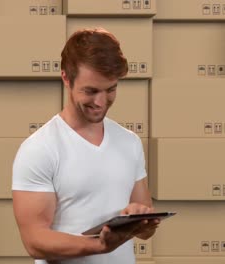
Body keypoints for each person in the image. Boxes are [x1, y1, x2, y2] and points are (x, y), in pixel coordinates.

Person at [12, 28, 159, 264]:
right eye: (91, 91)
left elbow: (146, 231)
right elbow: (34, 240)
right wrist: (99, 245)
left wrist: (141, 220)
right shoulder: (40, 148)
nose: (101, 102)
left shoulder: (129, 142)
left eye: (110, 90)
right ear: (66, 79)